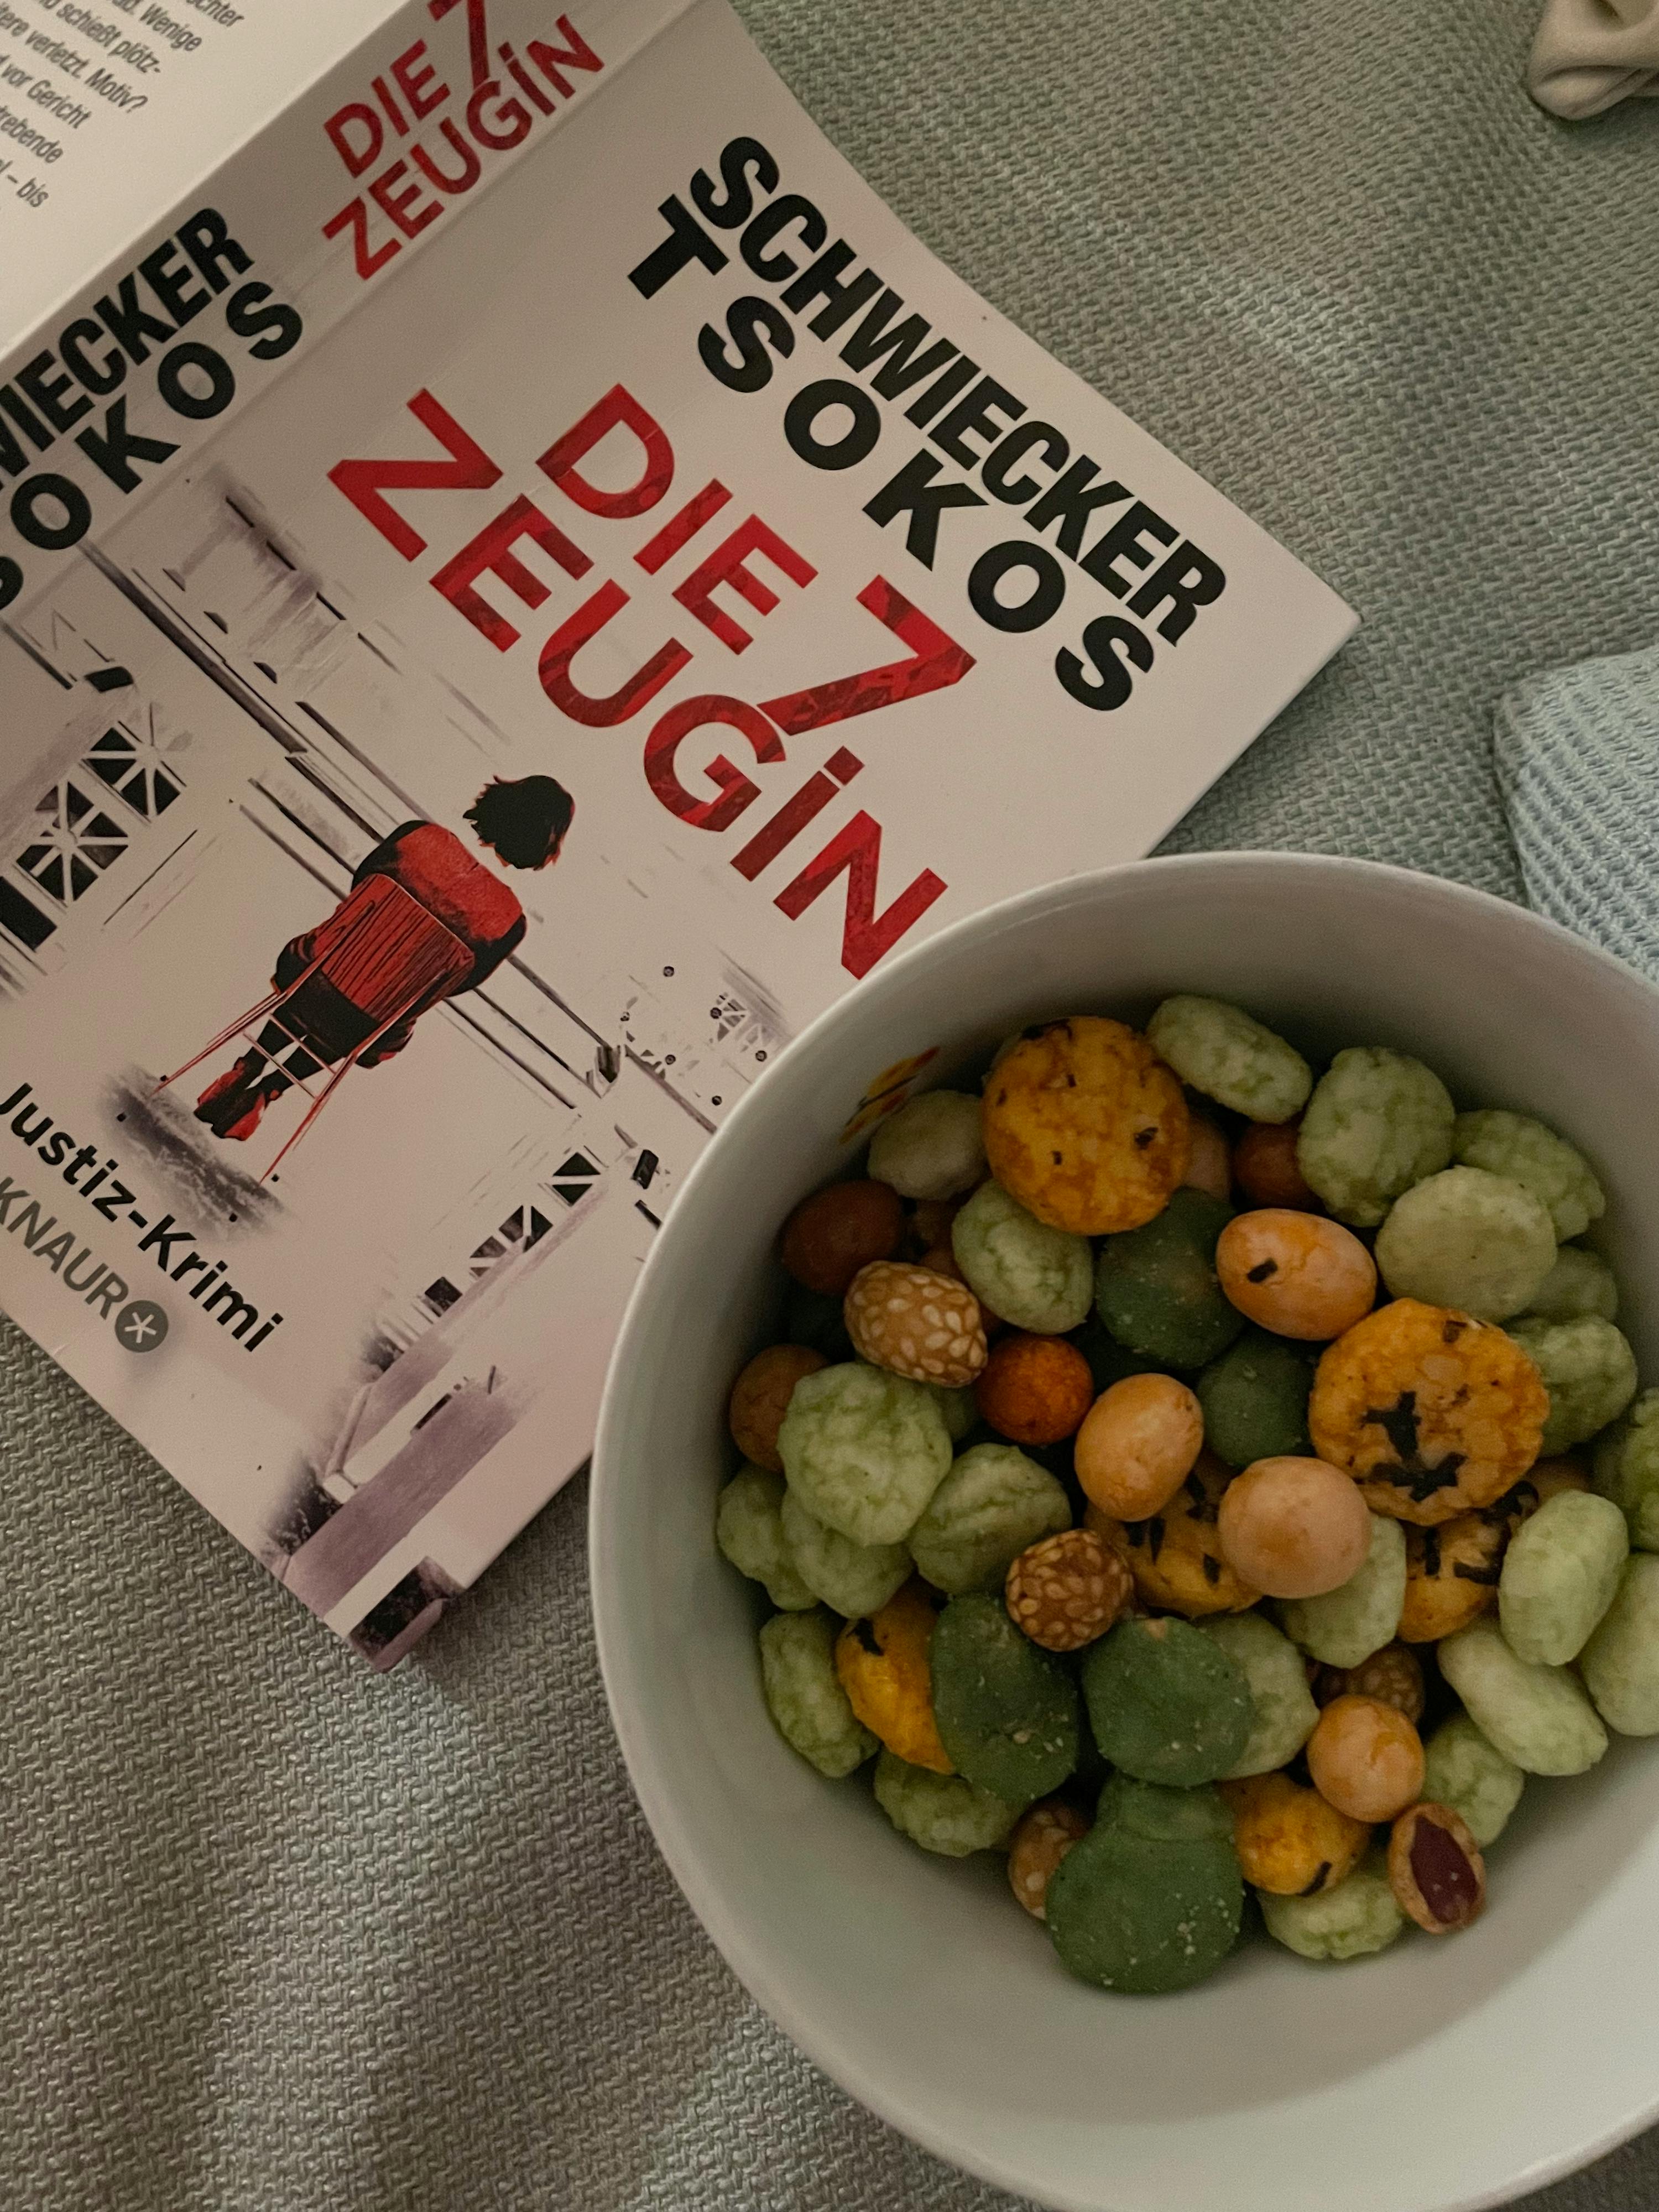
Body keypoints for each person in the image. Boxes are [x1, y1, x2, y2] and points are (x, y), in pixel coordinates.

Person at [195, 775, 573, 1143]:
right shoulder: (510, 920)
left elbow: (361, 888)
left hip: (313, 975)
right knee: (375, 1005)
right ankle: (271, 1091)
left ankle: (249, 1064)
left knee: (330, 966)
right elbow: (460, 984)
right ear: (545, 844)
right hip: (369, 1024)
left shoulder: (420, 836)